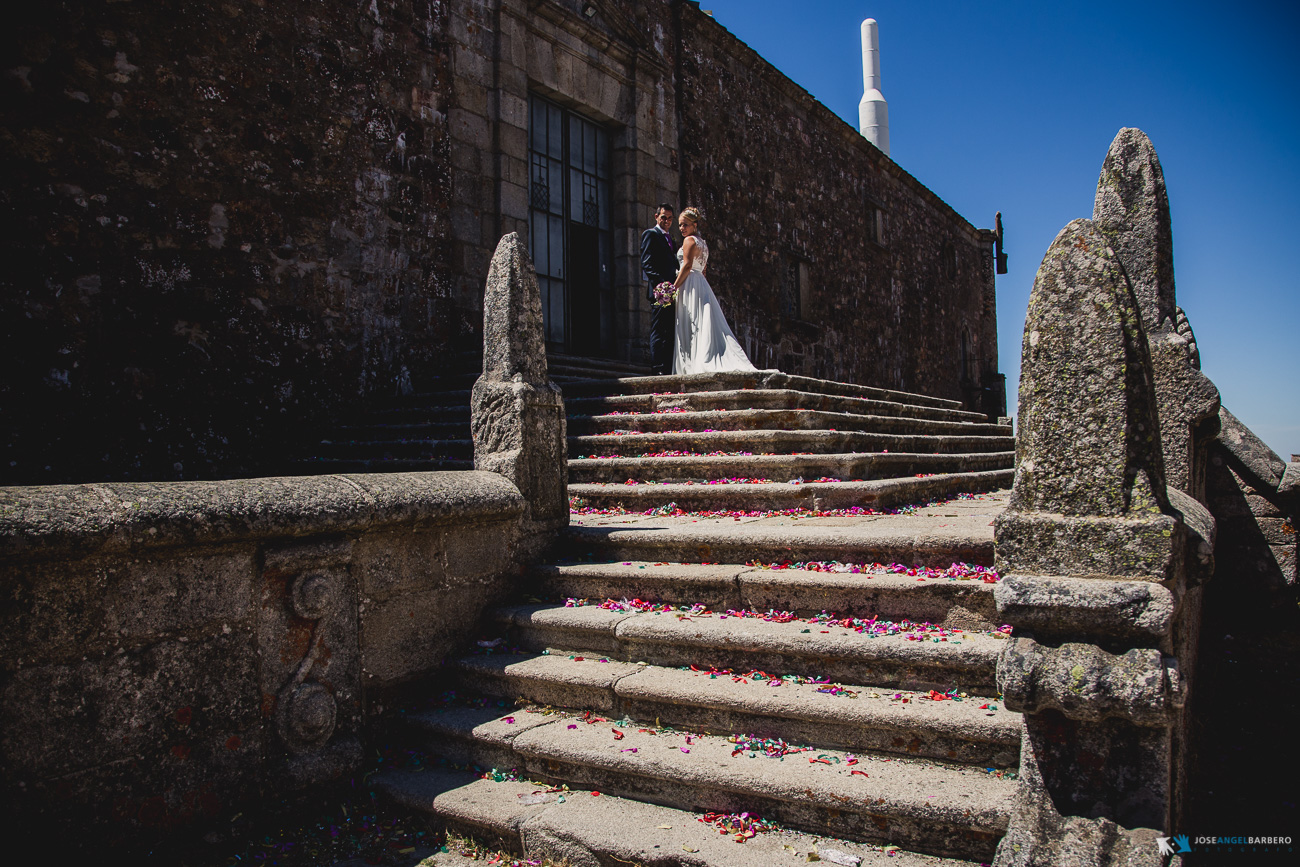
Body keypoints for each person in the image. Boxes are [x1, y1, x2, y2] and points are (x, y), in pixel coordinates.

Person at [671, 207, 757, 374]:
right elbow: (704, 270)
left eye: (685, 225)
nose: (682, 228)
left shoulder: (689, 241)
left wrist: (673, 287)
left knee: (693, 322)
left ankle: (692, 364)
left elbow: (687, 266)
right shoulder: (703, 243)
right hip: (701, 284)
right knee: (701, 322)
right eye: (680, 225)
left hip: (689, 283)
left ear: (694, 225)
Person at [639, 203, 678, 376]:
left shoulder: (672, 240)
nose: (667, 221)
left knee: (669, 330)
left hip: (672, 292)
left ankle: (667, 366)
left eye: (670, 218)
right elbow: (647, 263)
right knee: (659, 329)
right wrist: (662, 286)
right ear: (656, 217)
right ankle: (657, 368)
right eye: (664, 217)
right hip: (660, 292)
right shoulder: (650, 235)